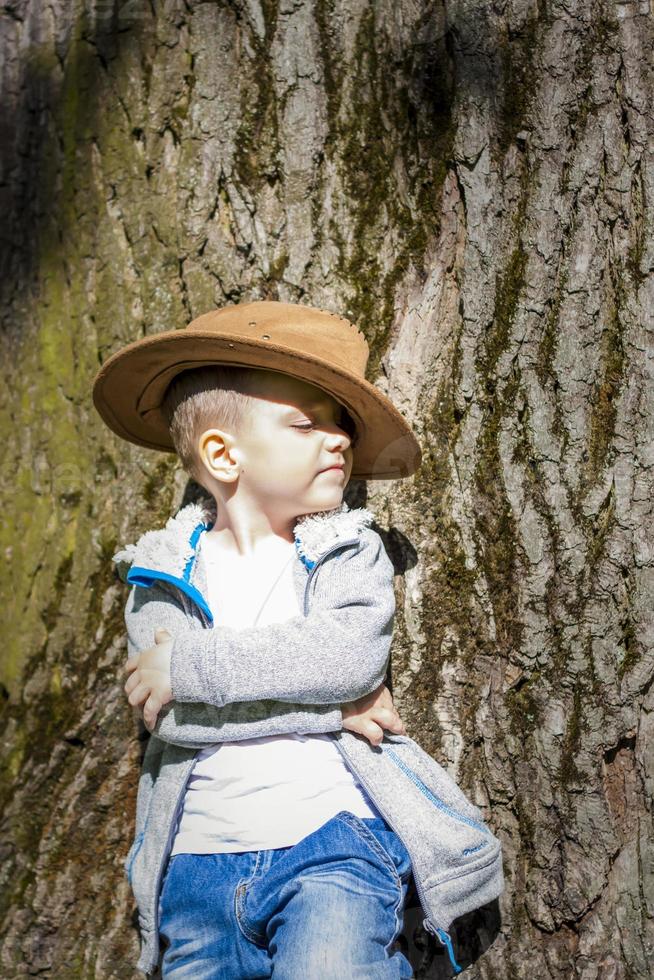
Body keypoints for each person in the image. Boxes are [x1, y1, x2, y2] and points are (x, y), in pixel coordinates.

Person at [92, 300, 504, 978]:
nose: (339, 438)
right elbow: (173, 715)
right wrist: (329, 711)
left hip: (332, 851)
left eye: (341, 424)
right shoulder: (161, 572)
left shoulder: (349, 552)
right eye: (305, 422)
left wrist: (198, 667)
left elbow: (344, 655)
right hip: (193, 874)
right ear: (223, 453)